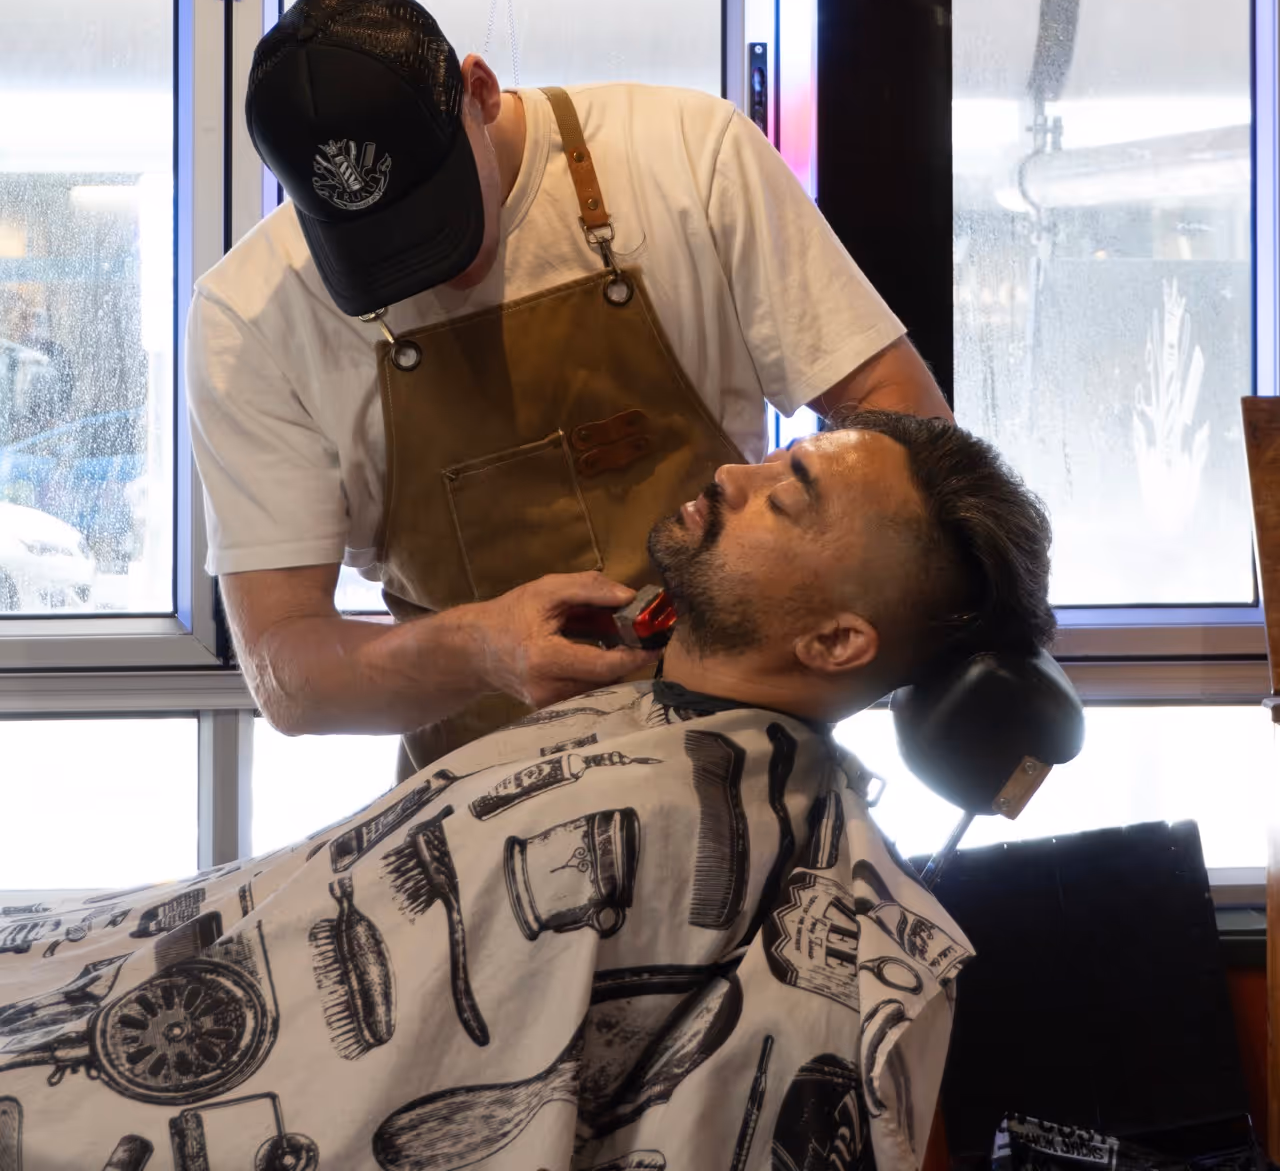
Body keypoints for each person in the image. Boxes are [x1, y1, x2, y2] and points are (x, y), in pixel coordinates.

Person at [0, 414, 1053, 1171]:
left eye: (784, 497)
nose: (733, 475)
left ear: (833, 640)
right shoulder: (663, 741)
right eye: (775, 457)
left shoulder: (687, 826)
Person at [186, 0, 951, 770]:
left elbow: (904, 428)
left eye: (437, 217)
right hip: (477, 805)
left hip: (739, 760)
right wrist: (476, 649)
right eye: (376, 255)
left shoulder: (688, 158)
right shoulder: (250, 319)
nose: (430, 273)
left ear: (479, 93)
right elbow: (291, 673)